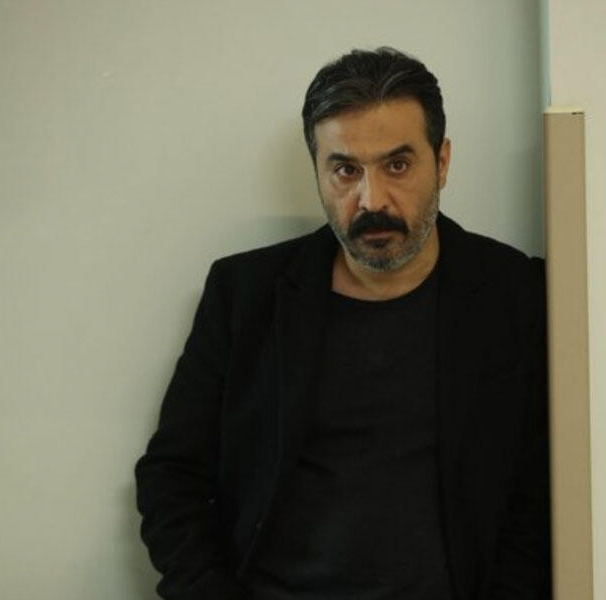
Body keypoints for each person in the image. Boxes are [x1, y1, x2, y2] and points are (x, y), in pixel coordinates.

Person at [135, 47, 551, 600]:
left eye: (397, 165)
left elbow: (541, 487)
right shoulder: (245, 296)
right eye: (345, 170)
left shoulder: (516, 294)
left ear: (442, 162)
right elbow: (172, 475)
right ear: (317, 172)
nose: (371, 200)